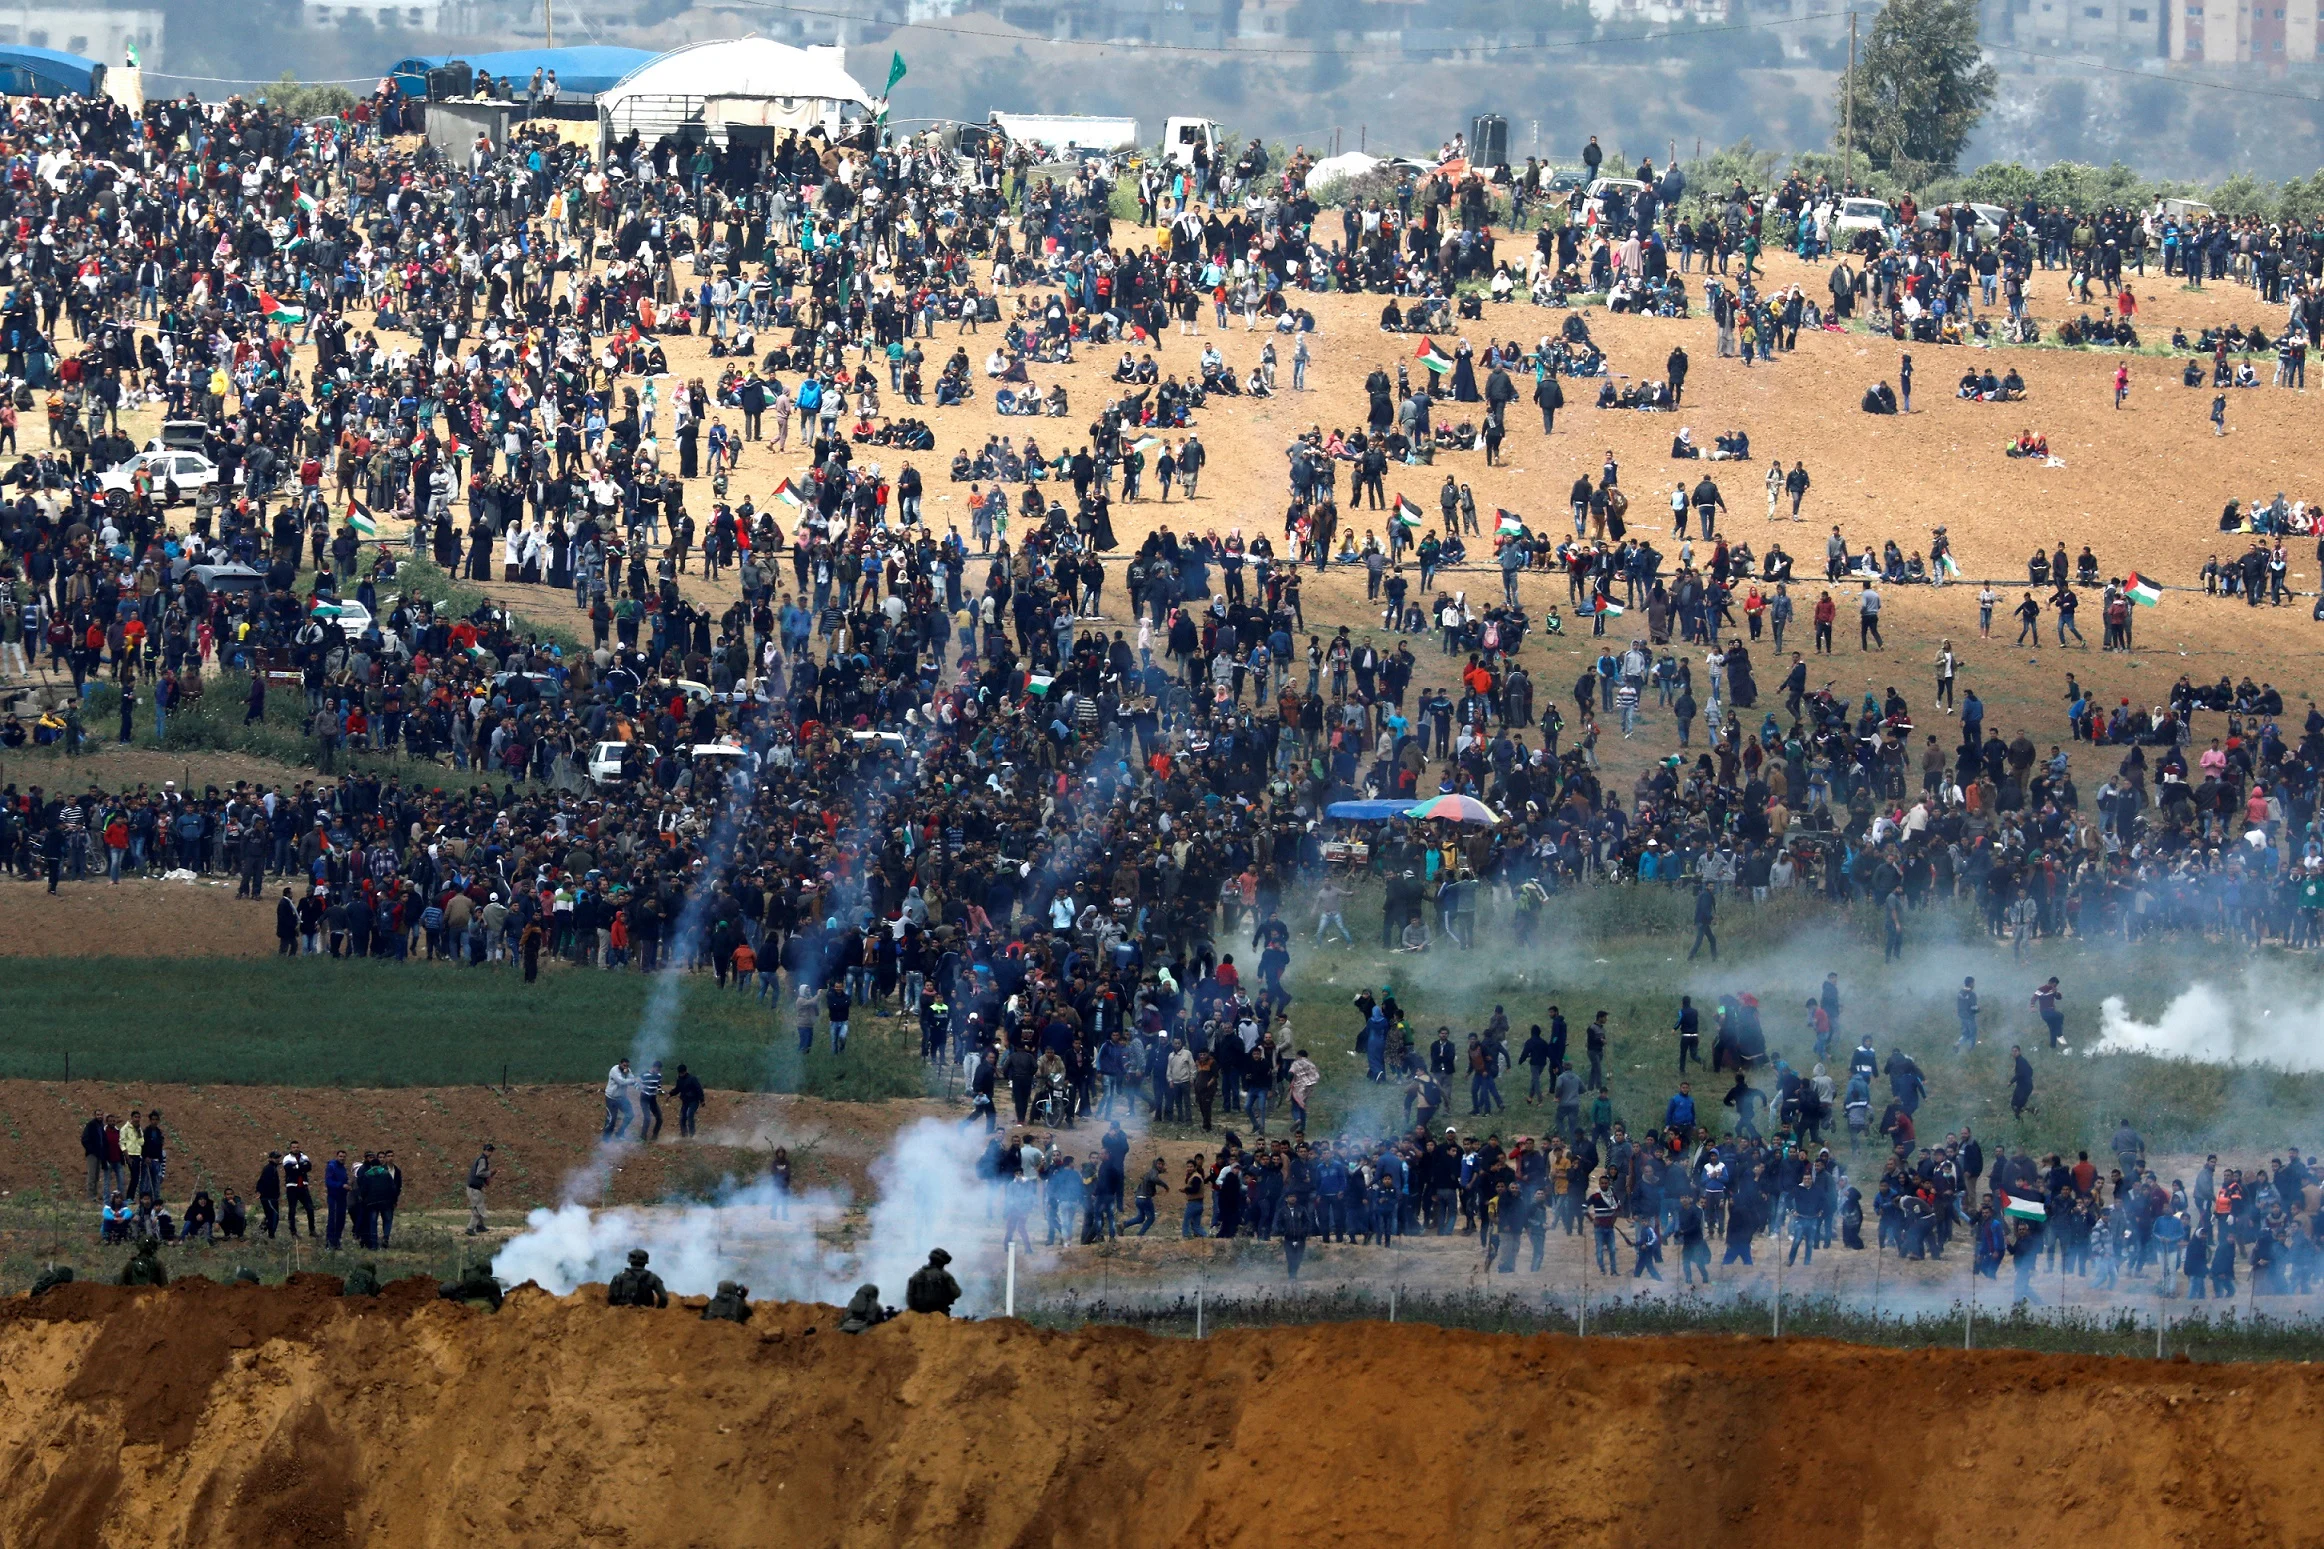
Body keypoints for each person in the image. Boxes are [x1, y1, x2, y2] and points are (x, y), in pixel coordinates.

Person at [905, 1248, 963, 1314]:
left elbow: (910, 1299)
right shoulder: (945, 1275)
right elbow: (957, 1293)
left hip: (919, 1316)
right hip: (940, 1315)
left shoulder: (916, 1276)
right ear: (941, 1262)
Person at [466, 1143, 495, 1235]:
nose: (489, 1152)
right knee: (478, 1209)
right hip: (474, 1188)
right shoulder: (482, 1160)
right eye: (488, 1150)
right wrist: (490, 1173)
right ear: (484, 1151)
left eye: (491, 1151)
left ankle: (480, 1226)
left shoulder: (481, 1159)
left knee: (479, 1206)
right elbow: (479, 1173)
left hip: (474, 1187)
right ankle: (470, 1229)